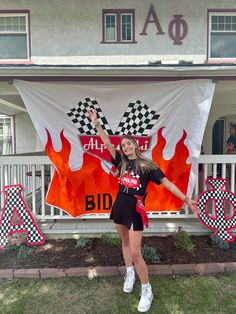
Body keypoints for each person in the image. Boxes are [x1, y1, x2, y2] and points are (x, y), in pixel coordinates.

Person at [88, 108, 200, 313]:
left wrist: (186, 199)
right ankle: (129, 274)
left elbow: (166, 183)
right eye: (123, 145)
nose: (126, 147)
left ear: (135, 145)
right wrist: (96, 123)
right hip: (120, 206)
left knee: (136, 252)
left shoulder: (147, 165)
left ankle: (147, 289)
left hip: (136, 211)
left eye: (129, 143)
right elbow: (105, 143)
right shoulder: (120, 161)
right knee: (124, 243)